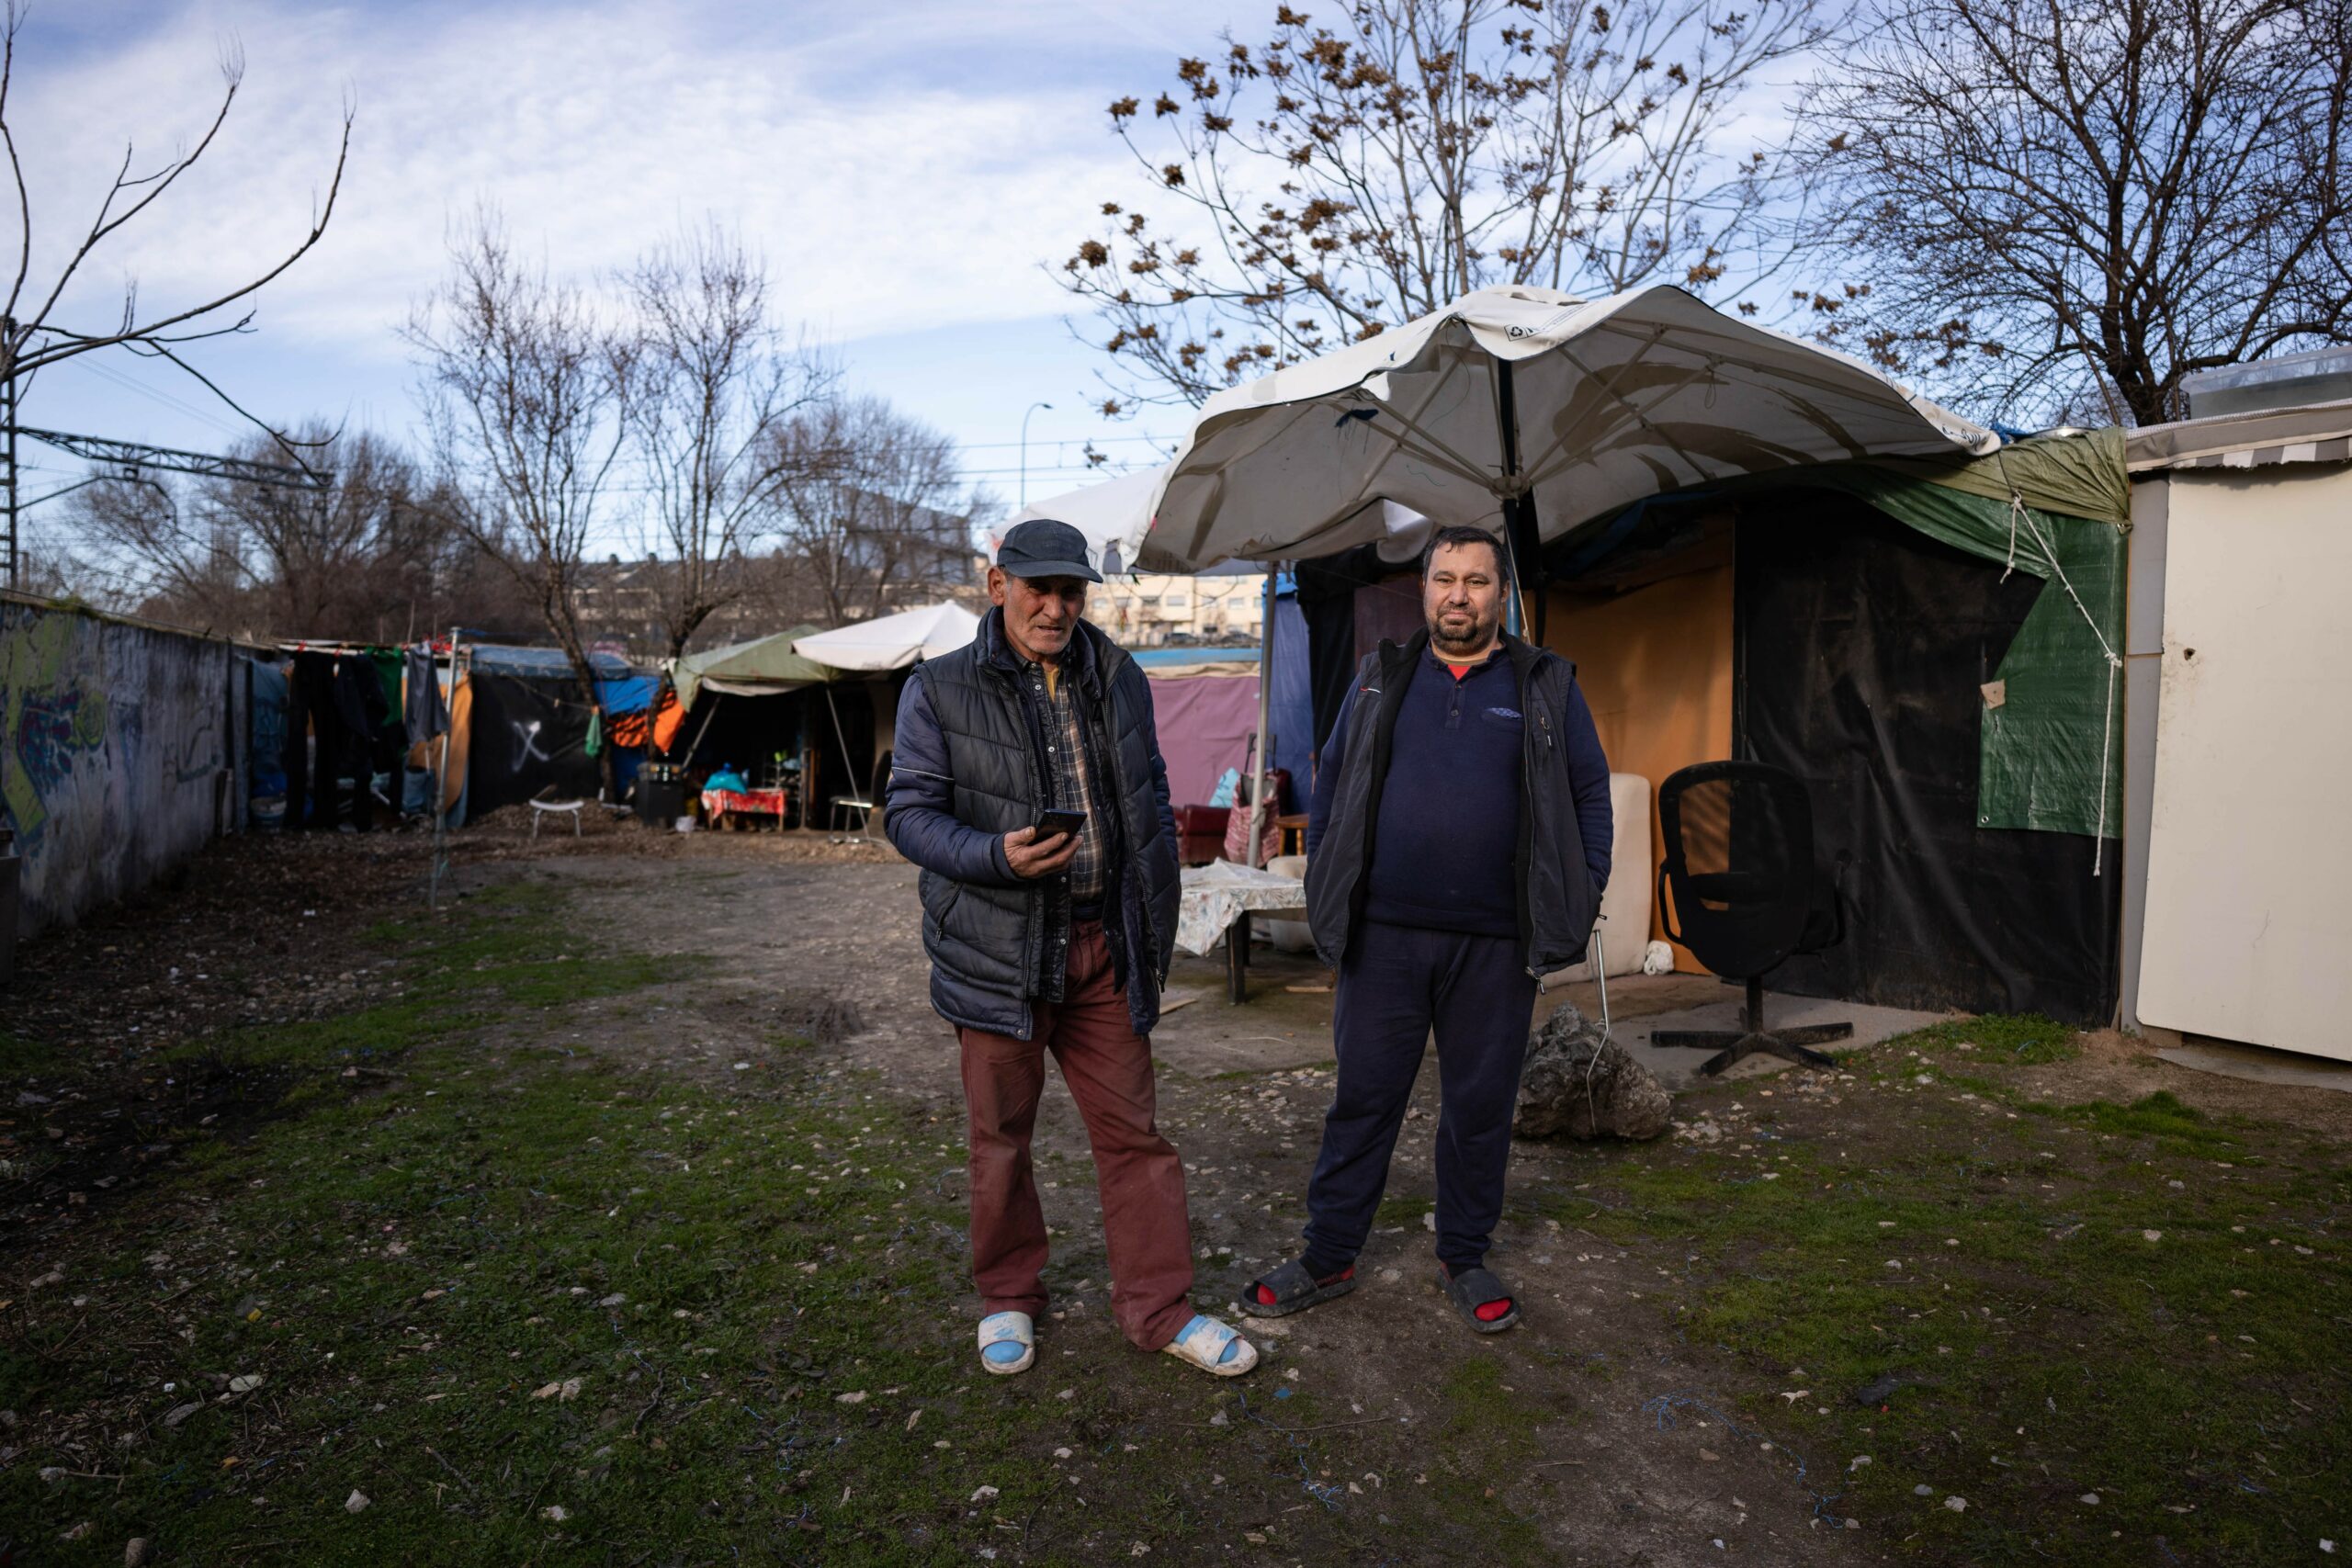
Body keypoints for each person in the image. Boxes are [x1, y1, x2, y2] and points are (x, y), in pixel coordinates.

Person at [884, 517, 1259, 1380]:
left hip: (1101, 947)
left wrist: (1153, 928)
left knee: (1137, 1138)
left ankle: (1158, 1308)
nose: (1055, 608)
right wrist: (993, 855)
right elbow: (908, 814)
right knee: (1001, 1138)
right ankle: (1009, 1294)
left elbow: (1151, 795)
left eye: (1070, 591)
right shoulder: (938, 688)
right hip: (998, 952)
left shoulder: (1119, 674)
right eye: (1037, 589)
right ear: (996, 583)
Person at [1240, 524, 1612, 1334]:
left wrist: (1578, 897)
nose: (1458, 595)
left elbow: (1589, 795)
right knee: (1363, 1098)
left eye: (1476, 581)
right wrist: (1337, 873)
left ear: (1500, 592)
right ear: (1424, 587)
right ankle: (1328, 1251)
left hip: (1495, 944)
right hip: (1387, 939)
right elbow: (1335, 777)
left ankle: (1466, 1253)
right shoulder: (1384, 676)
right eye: (1445, 578)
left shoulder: (1543, 682)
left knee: (1478, 1107)